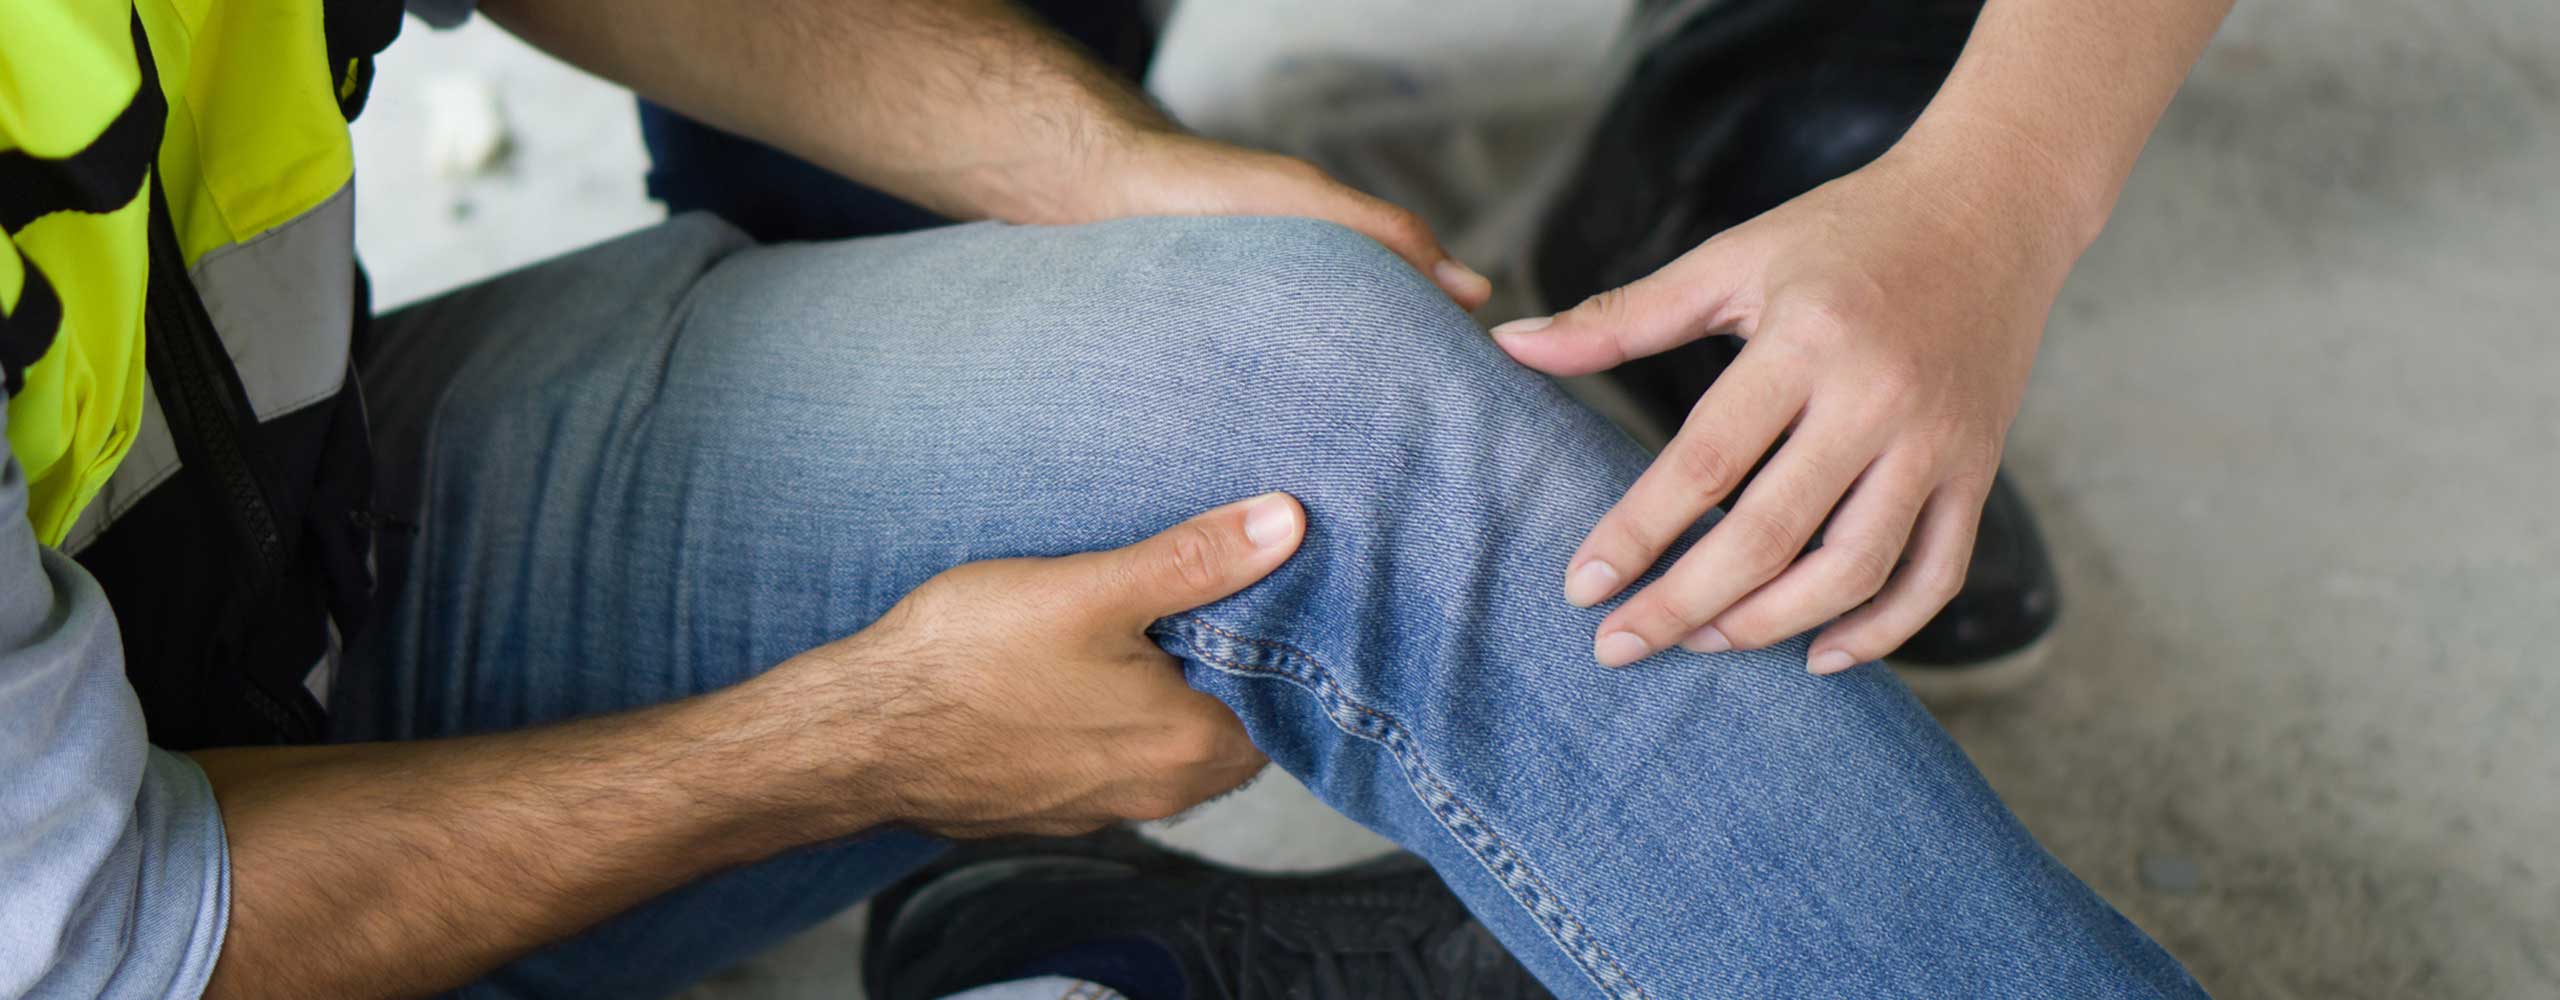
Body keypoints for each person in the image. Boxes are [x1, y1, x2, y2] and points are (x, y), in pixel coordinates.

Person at [0, 2, 2229, 1000]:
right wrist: (861, 732)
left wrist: (1116, 180)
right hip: (133, 904)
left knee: (1304, 375)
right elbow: (108, 944)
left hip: (284, 567)